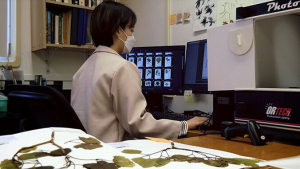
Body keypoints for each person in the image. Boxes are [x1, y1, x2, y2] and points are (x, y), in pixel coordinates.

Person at [71, 1, 211, 143]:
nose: (132, 36)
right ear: (118, 31)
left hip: (87, 153)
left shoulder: (82, 70)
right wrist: (184, 124)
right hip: (113, 154)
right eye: (131, 30)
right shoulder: (122, 67)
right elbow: (138, 124)